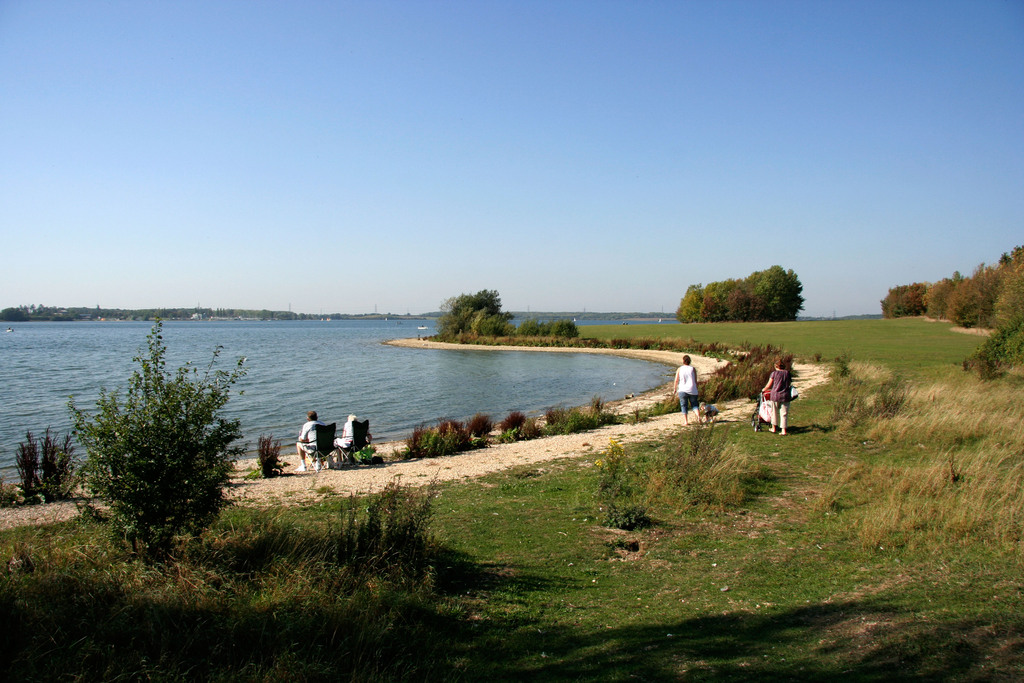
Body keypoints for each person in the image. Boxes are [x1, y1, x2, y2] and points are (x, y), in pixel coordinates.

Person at [761, 357, 792, 435]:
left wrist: (764, 389)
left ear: (776, 366)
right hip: (785, 395)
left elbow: (769, 384)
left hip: (775, 395)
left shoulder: (774, 373)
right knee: (784, 413)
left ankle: (774, 428)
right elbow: (789, 383)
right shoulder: (787, 373)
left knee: (774, 412)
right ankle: (783, 430)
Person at [672, 355, 699, 425]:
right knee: (695, 405)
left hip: (682, 390)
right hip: (692, 389)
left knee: (684, 405)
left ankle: (686, 421)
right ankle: (698, 417)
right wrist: (696, 388)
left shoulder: (680, 369)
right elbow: (695, 380)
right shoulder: (693, 369)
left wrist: (675, 389)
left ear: (683, 361)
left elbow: (676, 380)